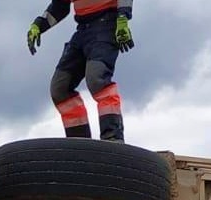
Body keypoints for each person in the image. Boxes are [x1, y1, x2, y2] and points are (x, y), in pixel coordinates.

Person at [27, 0, 134, 142]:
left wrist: (122, 18)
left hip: (107, 24)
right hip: (83, 30)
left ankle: (113, 139)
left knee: (97, 79)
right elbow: (60, 6)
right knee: (60, 89)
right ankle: (80, 143)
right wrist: (39, 25)